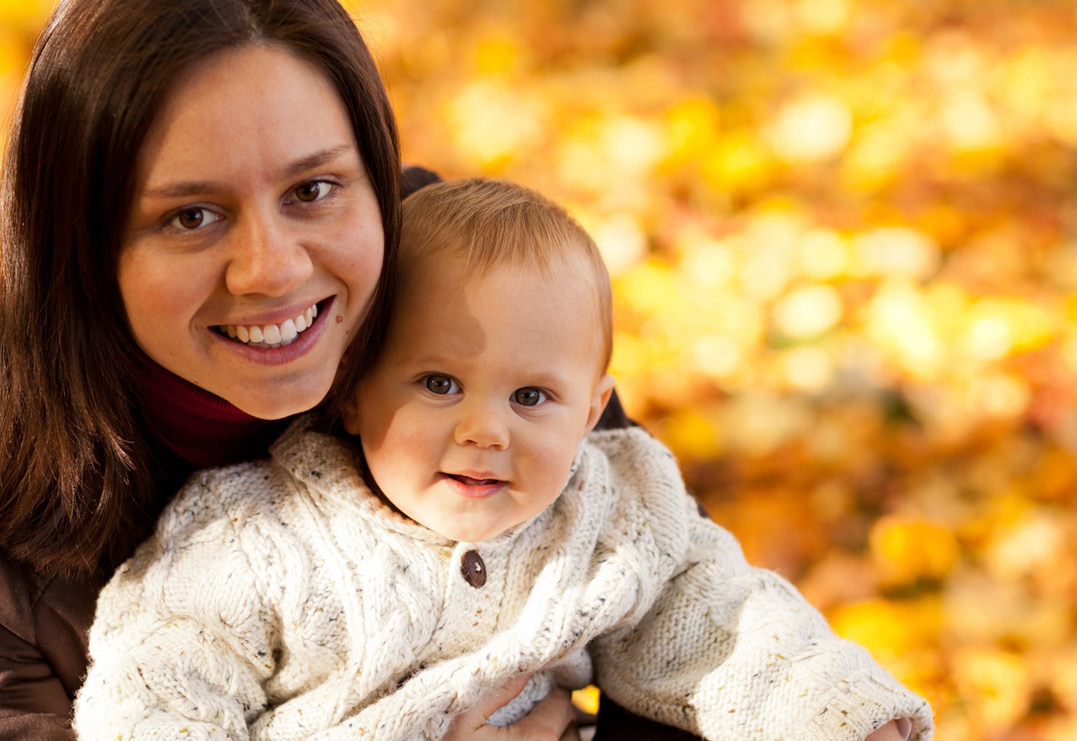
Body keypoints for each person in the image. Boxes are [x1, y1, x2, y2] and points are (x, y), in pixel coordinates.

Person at [73, 178, 934, 740]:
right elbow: (154, 699)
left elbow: (723, 625)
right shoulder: (254, 539)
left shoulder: (606, 515)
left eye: (531, 398)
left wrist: (837, 715)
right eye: (439, 383)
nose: (487, 430)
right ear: (351, 389)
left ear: (592, 411)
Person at [0, 1, 580, 739]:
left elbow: (695, 627)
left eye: (311, 191)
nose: (272, 270)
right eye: (191, 217)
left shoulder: (469, 289)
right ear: (80, 244)